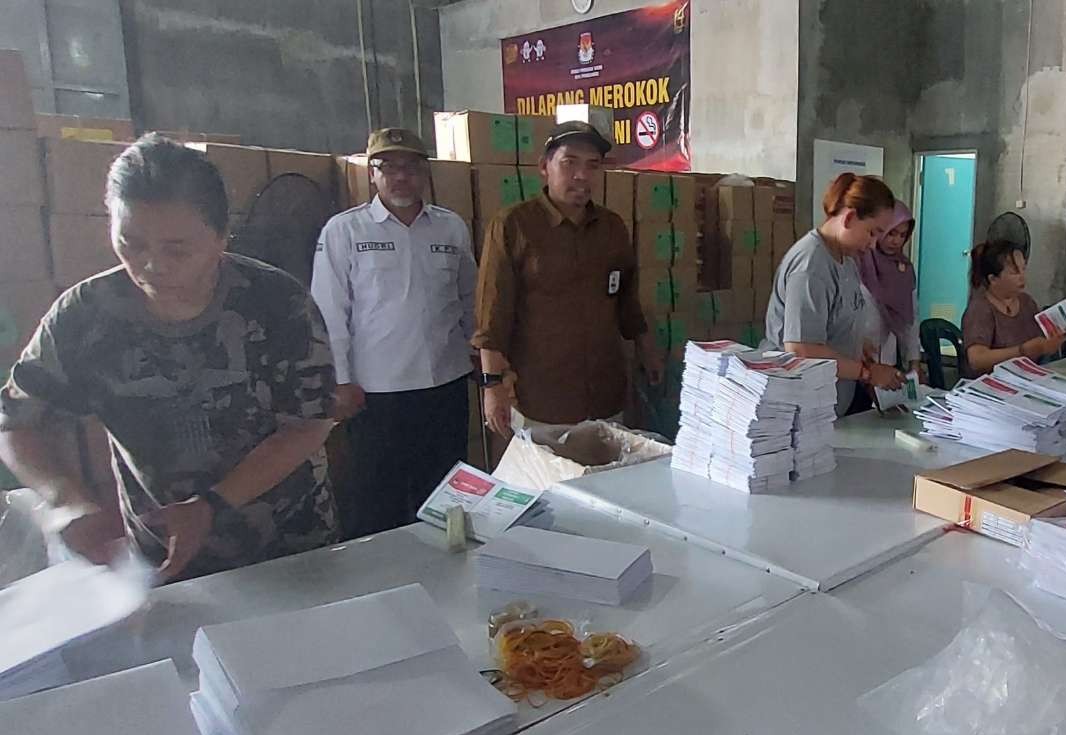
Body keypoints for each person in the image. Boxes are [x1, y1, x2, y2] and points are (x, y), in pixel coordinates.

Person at [0, 134, 341, 583]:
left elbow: (308, 425)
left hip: (292, 545)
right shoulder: (85, 316)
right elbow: (16, 421)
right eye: (131, 243)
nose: (150, 265)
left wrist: (211, 506)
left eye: (175, 249)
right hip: (165, 562)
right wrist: (64, 500)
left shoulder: (277, 303)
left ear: (221, 236)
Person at [311, 127, 476, 539]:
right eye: (388, 167)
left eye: (411, 167)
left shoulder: (450, 228)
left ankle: (446, 580)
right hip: (377, 394)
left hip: (445, 384)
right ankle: (383, 588)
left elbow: (471, 299)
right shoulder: (345, 231)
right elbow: (329, 313)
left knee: (443, 497)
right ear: (372, 174)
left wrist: (481, 360)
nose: (400, 176)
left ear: (424, 173)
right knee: (378, 499)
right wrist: (342, 381)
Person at [473, 121, 663, 437]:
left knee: (604, 484)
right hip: (542, 401)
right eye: (569, 162)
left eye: (592, 166)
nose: (581, 175)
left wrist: (647, 349)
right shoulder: (513, 226)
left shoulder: (612, 227)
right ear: (544, 167)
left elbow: (627, 301)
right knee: (549, 484)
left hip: (605, 395)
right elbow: (492, 315)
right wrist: (492, 387)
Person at [763, 173, 905, 416]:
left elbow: (836, 321)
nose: (873, 245)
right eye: (872, 233)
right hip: (799, 406)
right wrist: (867, 372)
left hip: (832, 402)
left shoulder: (846, 260)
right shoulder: (811, 265)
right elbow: (801, 349)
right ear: (849, 218)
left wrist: (858, 347)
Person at [961, 240, 1066, 376]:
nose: (1022, 277)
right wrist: (1022, 351)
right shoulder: (980, 309)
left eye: (1024, 269)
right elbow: (976, 359)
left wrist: (1051, 343)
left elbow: (1039, 344)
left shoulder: (1027, 302)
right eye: (1014, 272)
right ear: (993, 279)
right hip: (991, 386)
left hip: (1026, 379)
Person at [857, 200, 921, 376]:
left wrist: (914, 362)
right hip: (855, 360)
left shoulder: (904, 270)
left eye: (902, 235)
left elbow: (911, 318)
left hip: (887, 360)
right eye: (891, 233)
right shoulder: (860, 262)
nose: (896, 241)